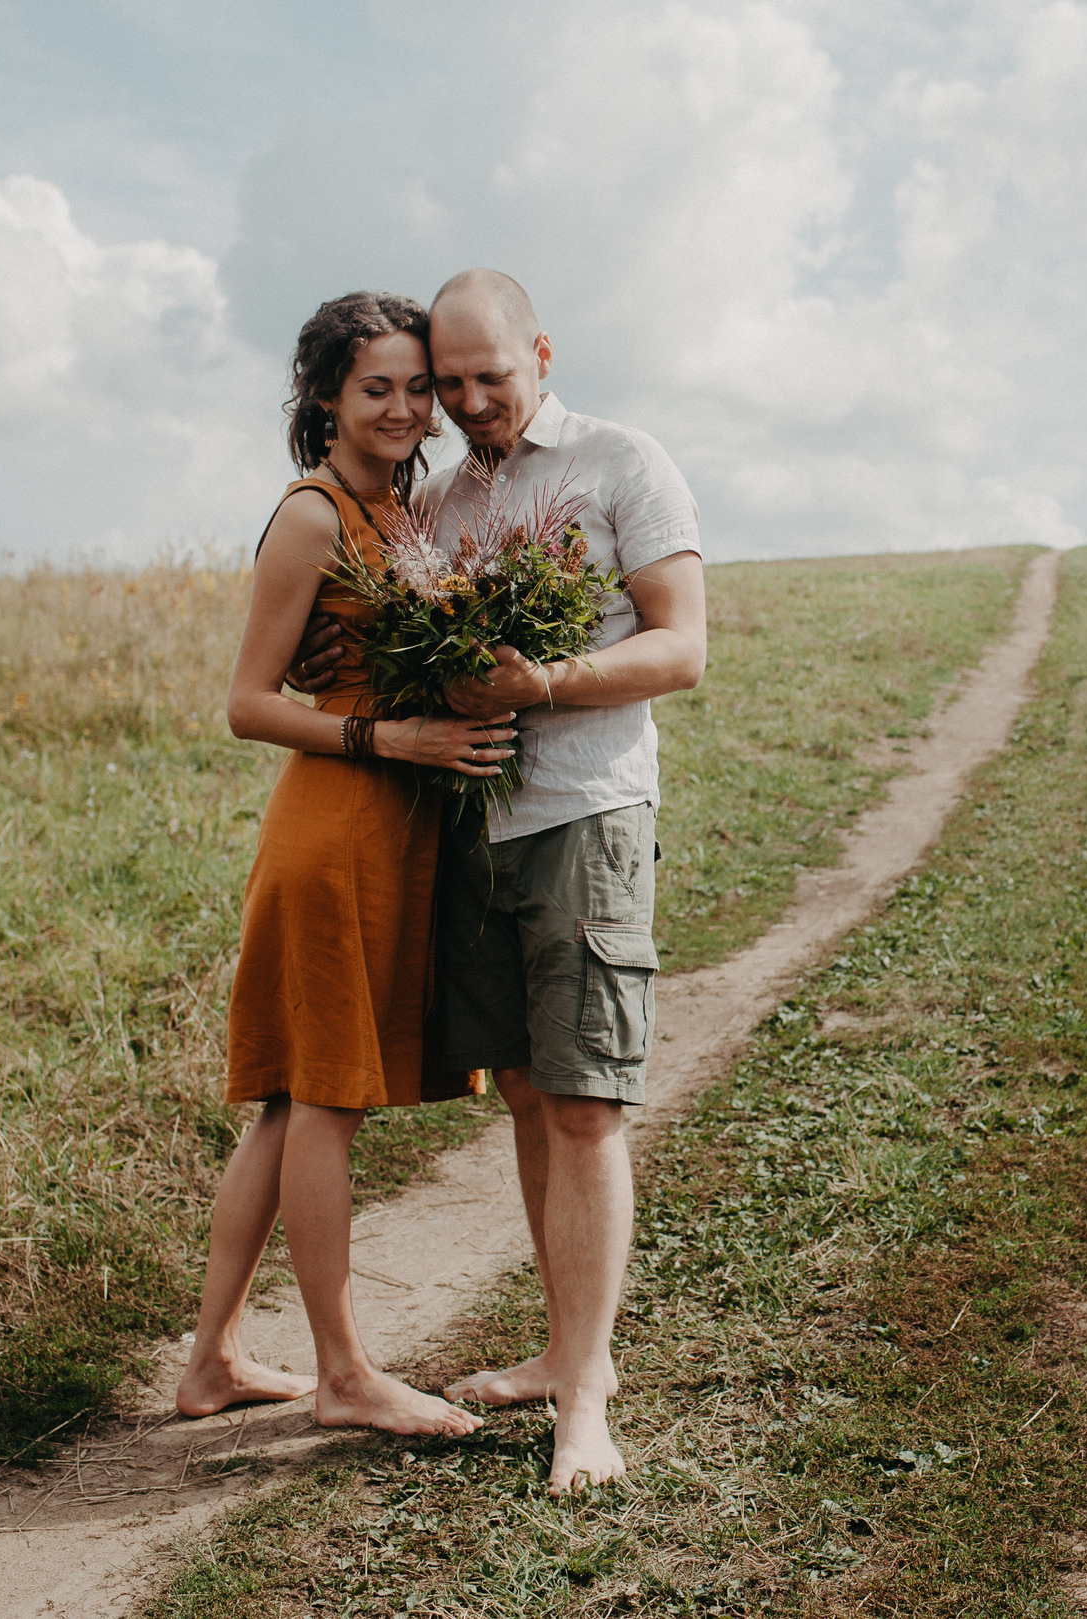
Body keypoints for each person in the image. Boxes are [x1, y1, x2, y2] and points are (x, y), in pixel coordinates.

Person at [291, 269, 706, 1492]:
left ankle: (586, 1399)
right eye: (449, 383)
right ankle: (561, 1352)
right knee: (527, 1093)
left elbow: (680, 648)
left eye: (489, 377)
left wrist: (547, 683)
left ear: (541, 351)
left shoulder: (622, 460)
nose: (469, 402)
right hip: (472, 827)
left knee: (585, 1104)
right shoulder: (441, 498)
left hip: (584, 815)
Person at [175, 291, 521, 1436]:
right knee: (327, 1100)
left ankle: (212, 1363)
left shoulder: (401, 512)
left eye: (419, 388)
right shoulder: (315, 516)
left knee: (290, 1109)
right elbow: (244, 705)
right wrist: (394, 736)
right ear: (324, 395)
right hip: (333, 832)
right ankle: (342, 1375)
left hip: (390, 831)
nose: (407, 408)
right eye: (377, 387)